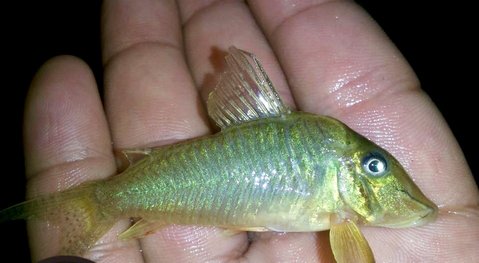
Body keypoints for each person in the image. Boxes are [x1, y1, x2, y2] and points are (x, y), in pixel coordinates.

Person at [25, 1, 478, 262]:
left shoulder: (344, 211)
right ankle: (96, 203)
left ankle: (97, 202)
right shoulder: (341, 209)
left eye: (373, 165)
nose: (375, 171)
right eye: (372, 165)